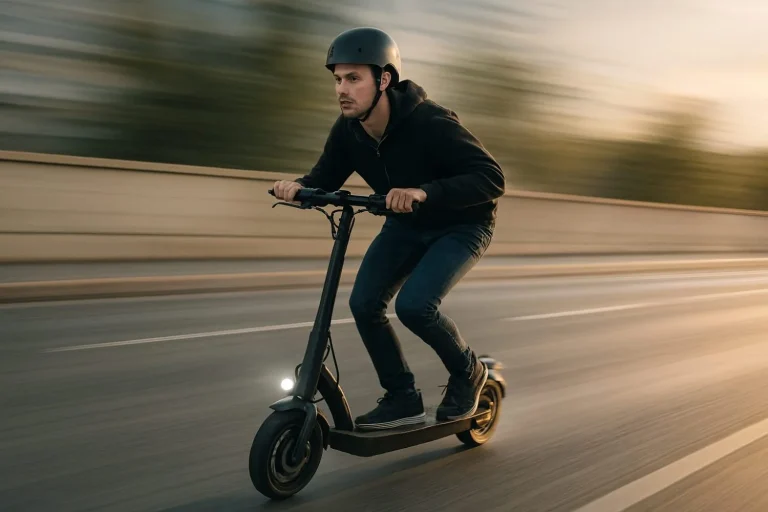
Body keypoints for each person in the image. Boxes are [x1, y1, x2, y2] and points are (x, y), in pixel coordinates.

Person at [272, 27, 505, 431]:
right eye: (337, 80)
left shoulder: (430, 121)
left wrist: (424, 192)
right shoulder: (348, 131)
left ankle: (467, 372)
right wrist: (298, 188)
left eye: (353, 78)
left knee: (414, 306)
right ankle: (402, 396)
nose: (342, 89)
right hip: (405, 225)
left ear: (384, 79)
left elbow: (492, 177)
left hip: (463, 224)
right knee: (363, 304)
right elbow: (323, 177)